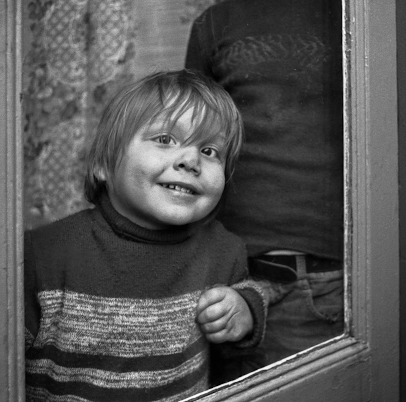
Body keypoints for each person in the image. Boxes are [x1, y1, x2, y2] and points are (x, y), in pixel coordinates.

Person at [24, 69, 266, 402]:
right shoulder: (42, 257)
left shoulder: (224, 251)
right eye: (165, 139)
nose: (191, 160)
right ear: (105, 164)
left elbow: (241, 331)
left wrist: (245, 310)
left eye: (210, 151)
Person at [185, 0, 344, 375]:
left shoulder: (354, 14)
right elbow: (192, 140)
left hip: (320, 278)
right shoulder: (215, 21)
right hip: (225, 276)